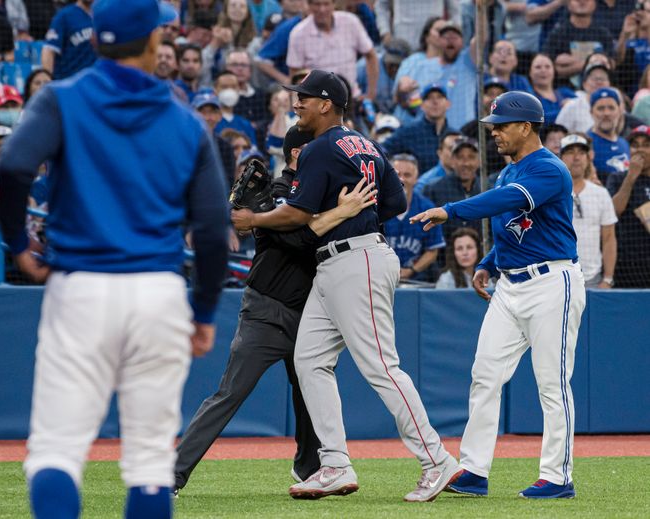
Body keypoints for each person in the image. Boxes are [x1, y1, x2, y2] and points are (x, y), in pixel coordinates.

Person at [0, 1, 230, 518]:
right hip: (159, 293)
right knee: (148, 462)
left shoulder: (61, 99)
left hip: (80, 287)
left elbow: (12, 166)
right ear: (151, 42)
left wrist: (16, 243)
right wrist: (206, 313)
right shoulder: (186, 121)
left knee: (56, 450)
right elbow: (213, 231)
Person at [231, 69, 460, 503]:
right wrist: (351, 209)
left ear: (326, 104)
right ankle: (333, 464)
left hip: (358, 260)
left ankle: (437, 459)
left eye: (304, 97)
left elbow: (298, 214)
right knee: (310, 359)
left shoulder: (319, 147)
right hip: (340, 262)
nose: (296, 104)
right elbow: (396, 201)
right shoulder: (365, 144)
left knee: (381, 367)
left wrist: (255, 220)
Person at [174, 125, 377, 496]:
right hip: (266, 312)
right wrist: (342, 211)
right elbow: (299, 237)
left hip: (309, 314)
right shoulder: (278, 193)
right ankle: (172, 474)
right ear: (298, 154)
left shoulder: (320, 193)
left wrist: (343, 208)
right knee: (230, 393)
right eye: (317, 150)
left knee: (310, 393)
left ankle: (310, 467)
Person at [411, 90, 586, 499]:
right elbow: (512, 224)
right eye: (493, 127)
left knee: (552, 383)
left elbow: (507, 201)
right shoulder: (508, 171)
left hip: (552, 283)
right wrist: (488, 262)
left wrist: (451, 210)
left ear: (526, 126)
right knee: (484, 375)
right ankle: (473, 470)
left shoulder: (549, 168)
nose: (495, 134)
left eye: (501, 126)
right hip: (510, 285)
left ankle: (558, 477)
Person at [559, 133, 618, 288]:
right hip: (557, 279)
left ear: (588, 157)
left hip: (593, 278)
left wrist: (608, 279)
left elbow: (609, 238)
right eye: (570, 152)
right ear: (561, 158)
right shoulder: (550, 194)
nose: (576, 157)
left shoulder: (600, 193)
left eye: (581, 152)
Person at [384, 154, 445, 282]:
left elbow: (433, 251)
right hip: (381, 277)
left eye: (407, 175)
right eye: (397, 175)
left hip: (416, 280)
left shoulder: (426, 208)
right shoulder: (378, 207)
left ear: (416, 179)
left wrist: (412, 270)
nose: (402, 179)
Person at [606, 125, 650, 288]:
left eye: (646, 145)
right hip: (627, 268)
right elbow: (613, 212)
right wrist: (631, 177)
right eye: (635, 145)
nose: (640, 150)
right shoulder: (617, 178)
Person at [383, 83, 454, 173]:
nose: (435, 102)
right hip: (416, 185)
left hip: (449, 186)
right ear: (422, 105)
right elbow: (382, 150)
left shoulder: (454, 135)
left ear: (448, 104)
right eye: (429, 98)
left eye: (439, 97)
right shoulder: (408, 132)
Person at [542, 0, 615, 80]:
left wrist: (574, 63)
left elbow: (611, 64)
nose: (582, 1)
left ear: (595, 3)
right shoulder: (557, 34)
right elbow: (552, 68)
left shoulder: (603, 34)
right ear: (568, 3)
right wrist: (593, 62)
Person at [41, 0, 97, 80]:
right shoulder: (64, 16)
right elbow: (49, 50)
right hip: (69, 81)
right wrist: (47, 79)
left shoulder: (103, 15)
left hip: (95, 83)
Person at [586, 87, 630, 183]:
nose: (606, 113)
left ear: (619, 111)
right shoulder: (586, 144)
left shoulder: (624, 143)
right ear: (591, 112)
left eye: (611, 108)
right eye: (600, 108)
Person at [528, 53, 577, 124]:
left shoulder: (565, 92)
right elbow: (537, 120)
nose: (543, 70)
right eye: (538, 67)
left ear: (554, 70)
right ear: (530, 72)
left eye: (547, 67)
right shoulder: (529, 98)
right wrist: (566, 109)